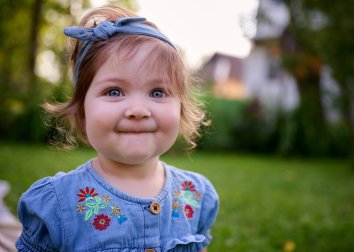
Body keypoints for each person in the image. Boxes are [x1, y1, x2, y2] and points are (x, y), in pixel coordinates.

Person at [16, 4, 219, 252]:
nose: (138, 110)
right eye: (114, 91)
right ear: (81, 113)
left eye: (157, 92)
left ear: (181, 109)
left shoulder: (196, 195)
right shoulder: (56, 204)